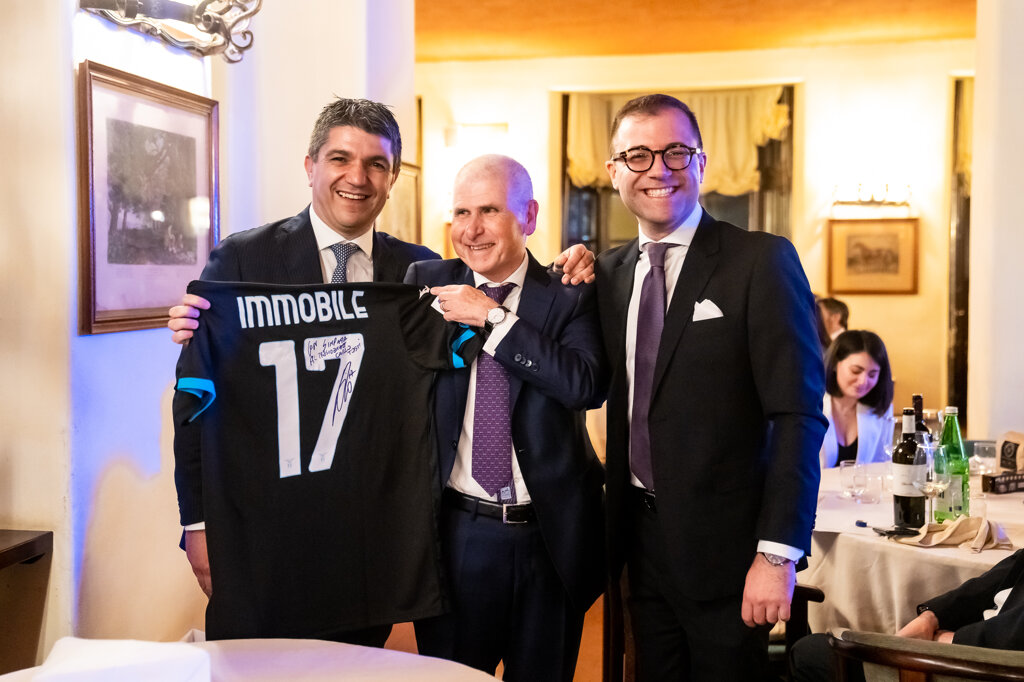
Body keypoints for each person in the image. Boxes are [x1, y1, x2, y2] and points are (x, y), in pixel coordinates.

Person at [172, 97, 443, 647]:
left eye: (376, 164)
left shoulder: (420, 270)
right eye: (340, 158)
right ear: (310, 165)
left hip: (368, 537)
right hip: (263, 533)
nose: (357, 178)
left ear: (392, 178)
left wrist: (568, 271)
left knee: (354, 667)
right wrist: (197, 523)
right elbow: (195, 402)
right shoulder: (242, 258)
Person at [595, 93, 827, 679]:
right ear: (614, 171)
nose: (659, 169)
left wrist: (776, 554)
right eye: (639, 155)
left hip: (731, 558)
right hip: (638, 548)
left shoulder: (760, 261)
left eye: (676, 152)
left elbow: (798, 415)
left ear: (701, 162)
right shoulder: (608, 274)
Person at [405, 155, 607, 681]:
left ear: (529, 216)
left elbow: (584, 386)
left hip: (549, 541)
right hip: (457, 537)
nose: (471, 230)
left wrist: (493, 318)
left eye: (489, 211)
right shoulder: (426, 285)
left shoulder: (571, 291)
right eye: (461, 212)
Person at [791, 548, 1024, 681]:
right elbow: (1013, 567)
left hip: (990, 667)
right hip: (979, 647)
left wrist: (950, 641)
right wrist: (931, 617)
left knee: (812, 653)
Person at [819, 330, 894, 468]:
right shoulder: (813, 404)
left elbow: (882, 464)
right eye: (856, 371)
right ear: (835, 364)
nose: (863, 381)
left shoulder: (882, 408)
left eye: (872, 375)